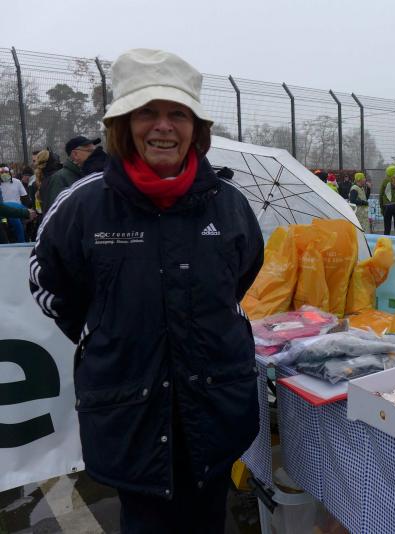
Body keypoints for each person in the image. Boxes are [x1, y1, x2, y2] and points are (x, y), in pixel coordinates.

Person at [29, 49, 264, 534]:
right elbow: (49, 284)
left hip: (216, 408)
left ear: (196, 127)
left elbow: (241, 277)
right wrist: (106, 331)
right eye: (147, 112)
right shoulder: (83, 205)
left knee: (209, 520)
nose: (163, 126)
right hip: (128, 415)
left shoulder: (231, 205)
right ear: (123, 125)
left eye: (178, 113)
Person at [41, 136, 99, 213]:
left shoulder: (92, 174)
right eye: (90, 151)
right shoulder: (59, 178)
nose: (95, 154)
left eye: (95, 150)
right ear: (75, 154)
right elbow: (56, 213)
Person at [0, 166, 30, 242]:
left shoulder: (17, 182)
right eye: (2, 172)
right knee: (6, 230)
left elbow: (24, 197)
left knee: (20, 228)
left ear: (9, 172)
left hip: (17, 209)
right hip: (4, 212)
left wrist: (26, 211)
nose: (4, 174)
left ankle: (22, 243)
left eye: (6, 172)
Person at [379, 164, 395, 236]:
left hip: (387, 206)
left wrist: (382, 208)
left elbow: (381, 195)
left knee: (387, 229)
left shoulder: (385, 181)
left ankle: (385, 242)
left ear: (387, 172)